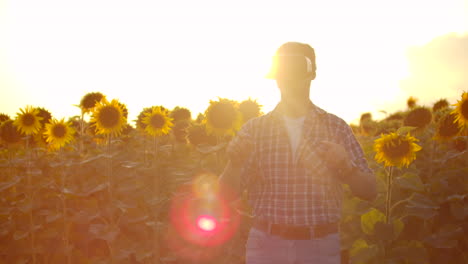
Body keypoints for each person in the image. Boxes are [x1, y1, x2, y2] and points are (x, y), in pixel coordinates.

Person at [218, 42, 377, 264]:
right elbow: (225, 196)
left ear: (312, 73)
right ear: (276, 76)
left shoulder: (336, 127)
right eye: (284, 69)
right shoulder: (254, 130)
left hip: (320, 246)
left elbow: (370, 190)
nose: (289, 77)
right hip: (267, 245)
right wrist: (234, 164)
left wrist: (346, 167)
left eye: (296, 67)